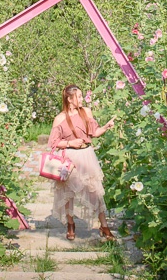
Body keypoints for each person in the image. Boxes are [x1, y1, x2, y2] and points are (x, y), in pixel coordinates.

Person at [47, 84, 117, 241]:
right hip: (69, 157)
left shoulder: (86, 112)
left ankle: (104, 225)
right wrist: (70, 144)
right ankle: (70, 225)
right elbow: (53, 143)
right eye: (78, 96)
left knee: (95, 190)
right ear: (69, 99)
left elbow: (95, 132)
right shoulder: (60, 118)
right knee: (68, 192)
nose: (81, 99)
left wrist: (106, 126)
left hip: (87, 155)